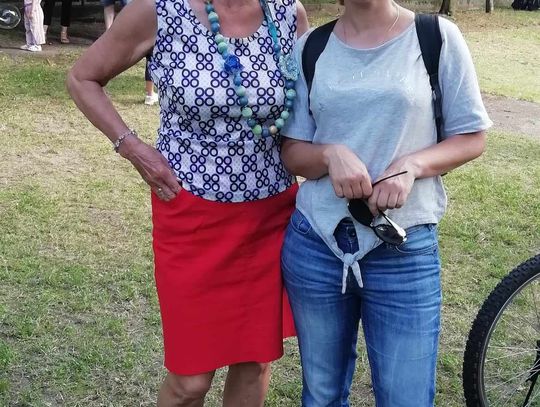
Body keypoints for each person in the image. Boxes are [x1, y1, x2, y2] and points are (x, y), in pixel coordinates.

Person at [66, 0, 309, 404]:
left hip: (271, 217)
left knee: (254, 362)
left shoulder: (287, 12)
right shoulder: (159, 9)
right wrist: (133, 148)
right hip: (191, 215)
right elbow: (82, 78)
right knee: (189, 382)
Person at [280, 0, 492, 405]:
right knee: (321, 395)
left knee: (405, 397)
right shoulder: (311, 47)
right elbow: (292, 151)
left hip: (403, 247)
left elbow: (471, 136)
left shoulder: (435, 37)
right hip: (318, 245)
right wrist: (329, 155)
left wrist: (412, 165)